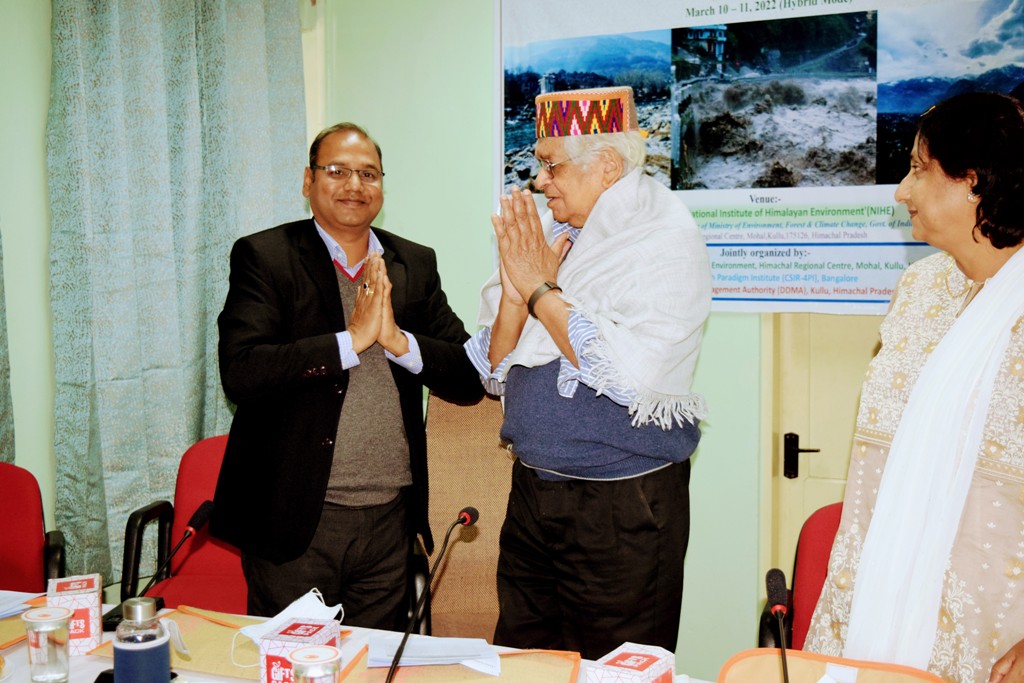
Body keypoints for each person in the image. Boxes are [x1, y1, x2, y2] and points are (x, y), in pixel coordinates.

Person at [465, 86, 712, 659]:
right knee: (526, 661)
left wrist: (539, 289)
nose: (539, 181)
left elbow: (631, 375)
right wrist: (515, 297)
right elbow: (492, 373)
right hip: (532, 490)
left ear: (606, 166)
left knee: (614, 667)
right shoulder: (550, 236)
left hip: (622, 503)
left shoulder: (664, 239)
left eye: (551, 165)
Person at [210, 122, 484, 627]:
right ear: (308, 180)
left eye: (369, 174)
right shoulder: (265, 257)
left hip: (390, 516)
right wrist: (350, 340)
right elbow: (242, 371)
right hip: (297, 517)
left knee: (374, 659)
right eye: (337, 171)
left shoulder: (413, 263)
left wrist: (398, 342)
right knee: (295, 658)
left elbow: (469, 376)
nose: (355, 185)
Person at [803, 92, 1024, 683]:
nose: (902, 191)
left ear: (974, 182)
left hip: (992, 623)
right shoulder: (920, 289)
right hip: (877, 591)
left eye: (919, 169)